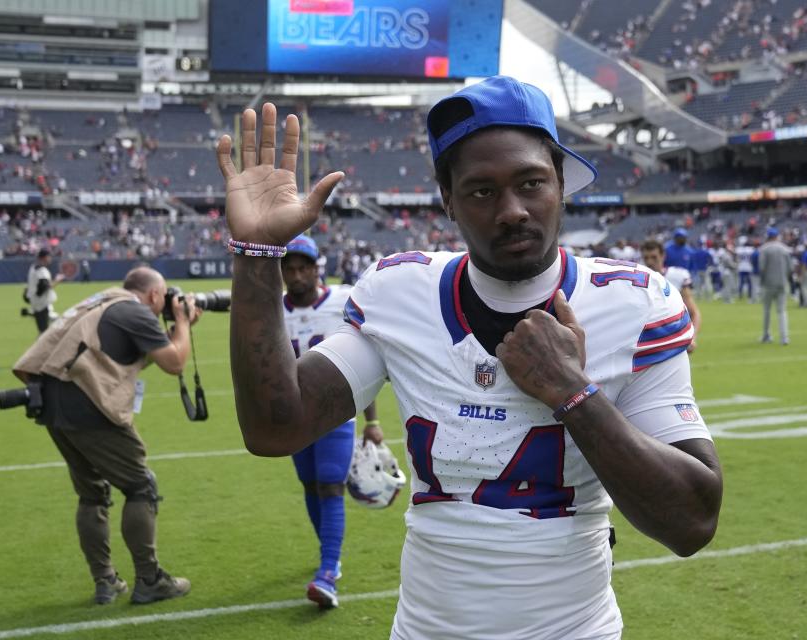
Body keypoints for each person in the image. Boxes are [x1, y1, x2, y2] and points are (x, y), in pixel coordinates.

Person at [218, 75, 722, 639]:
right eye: (482, 191)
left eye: (531, 182)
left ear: (560, 182)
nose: (512, 210)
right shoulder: (400, 292)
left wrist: (574, 394)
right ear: (448, 200)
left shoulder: (632, 301)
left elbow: (692, 521)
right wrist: (257, 254)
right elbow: (273, 428)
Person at [10, 267, 199, 605]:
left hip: (53, 405)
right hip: (88, 406)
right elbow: (175, 363)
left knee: (92, 494)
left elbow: (120, 359)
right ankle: (150, 579)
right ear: (155, 294)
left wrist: (171, 333)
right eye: (163, 298)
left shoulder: (102, 302)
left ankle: (105, 581)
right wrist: (183, 324)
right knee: (141, 487)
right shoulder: (135, 311)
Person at [280, 234, 382, 609]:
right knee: (309, 484)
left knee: (330, 484)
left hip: (336, 409)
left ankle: (328, 570)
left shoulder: (341, 301)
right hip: (293, 414)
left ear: (315, 267)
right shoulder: (276, 308)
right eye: (289, 268)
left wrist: (372, 421)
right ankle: (328, 552)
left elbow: (364, 361)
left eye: (303, 267)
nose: (296, 274)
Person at [640, 239, 702, 353]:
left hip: (674, 340)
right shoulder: (637, 280)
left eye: (654, 257)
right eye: (646, 258)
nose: (649, 262)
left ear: (663, 256)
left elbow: (694, 312)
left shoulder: (677, 275)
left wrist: (691, 338)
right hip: (646, 342)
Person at [759, 228, 792, 345]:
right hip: (782, 283)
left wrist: (762, 282)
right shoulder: (785, 249)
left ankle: (766, 335)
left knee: (767, 310)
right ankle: (784, 337)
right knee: (782, 311)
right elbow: (790, 268)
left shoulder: (764, 249)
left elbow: (762, 268)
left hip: (768, 283)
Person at [25, 248, 65, 333]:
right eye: (49, 256)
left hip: (35, 302)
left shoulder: (33, 267)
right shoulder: (42, 270)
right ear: (44, 257)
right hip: (42, 304)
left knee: (43, 330)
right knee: (45, 332)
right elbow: (44, 287)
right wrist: (57, 280)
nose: (50, 258)